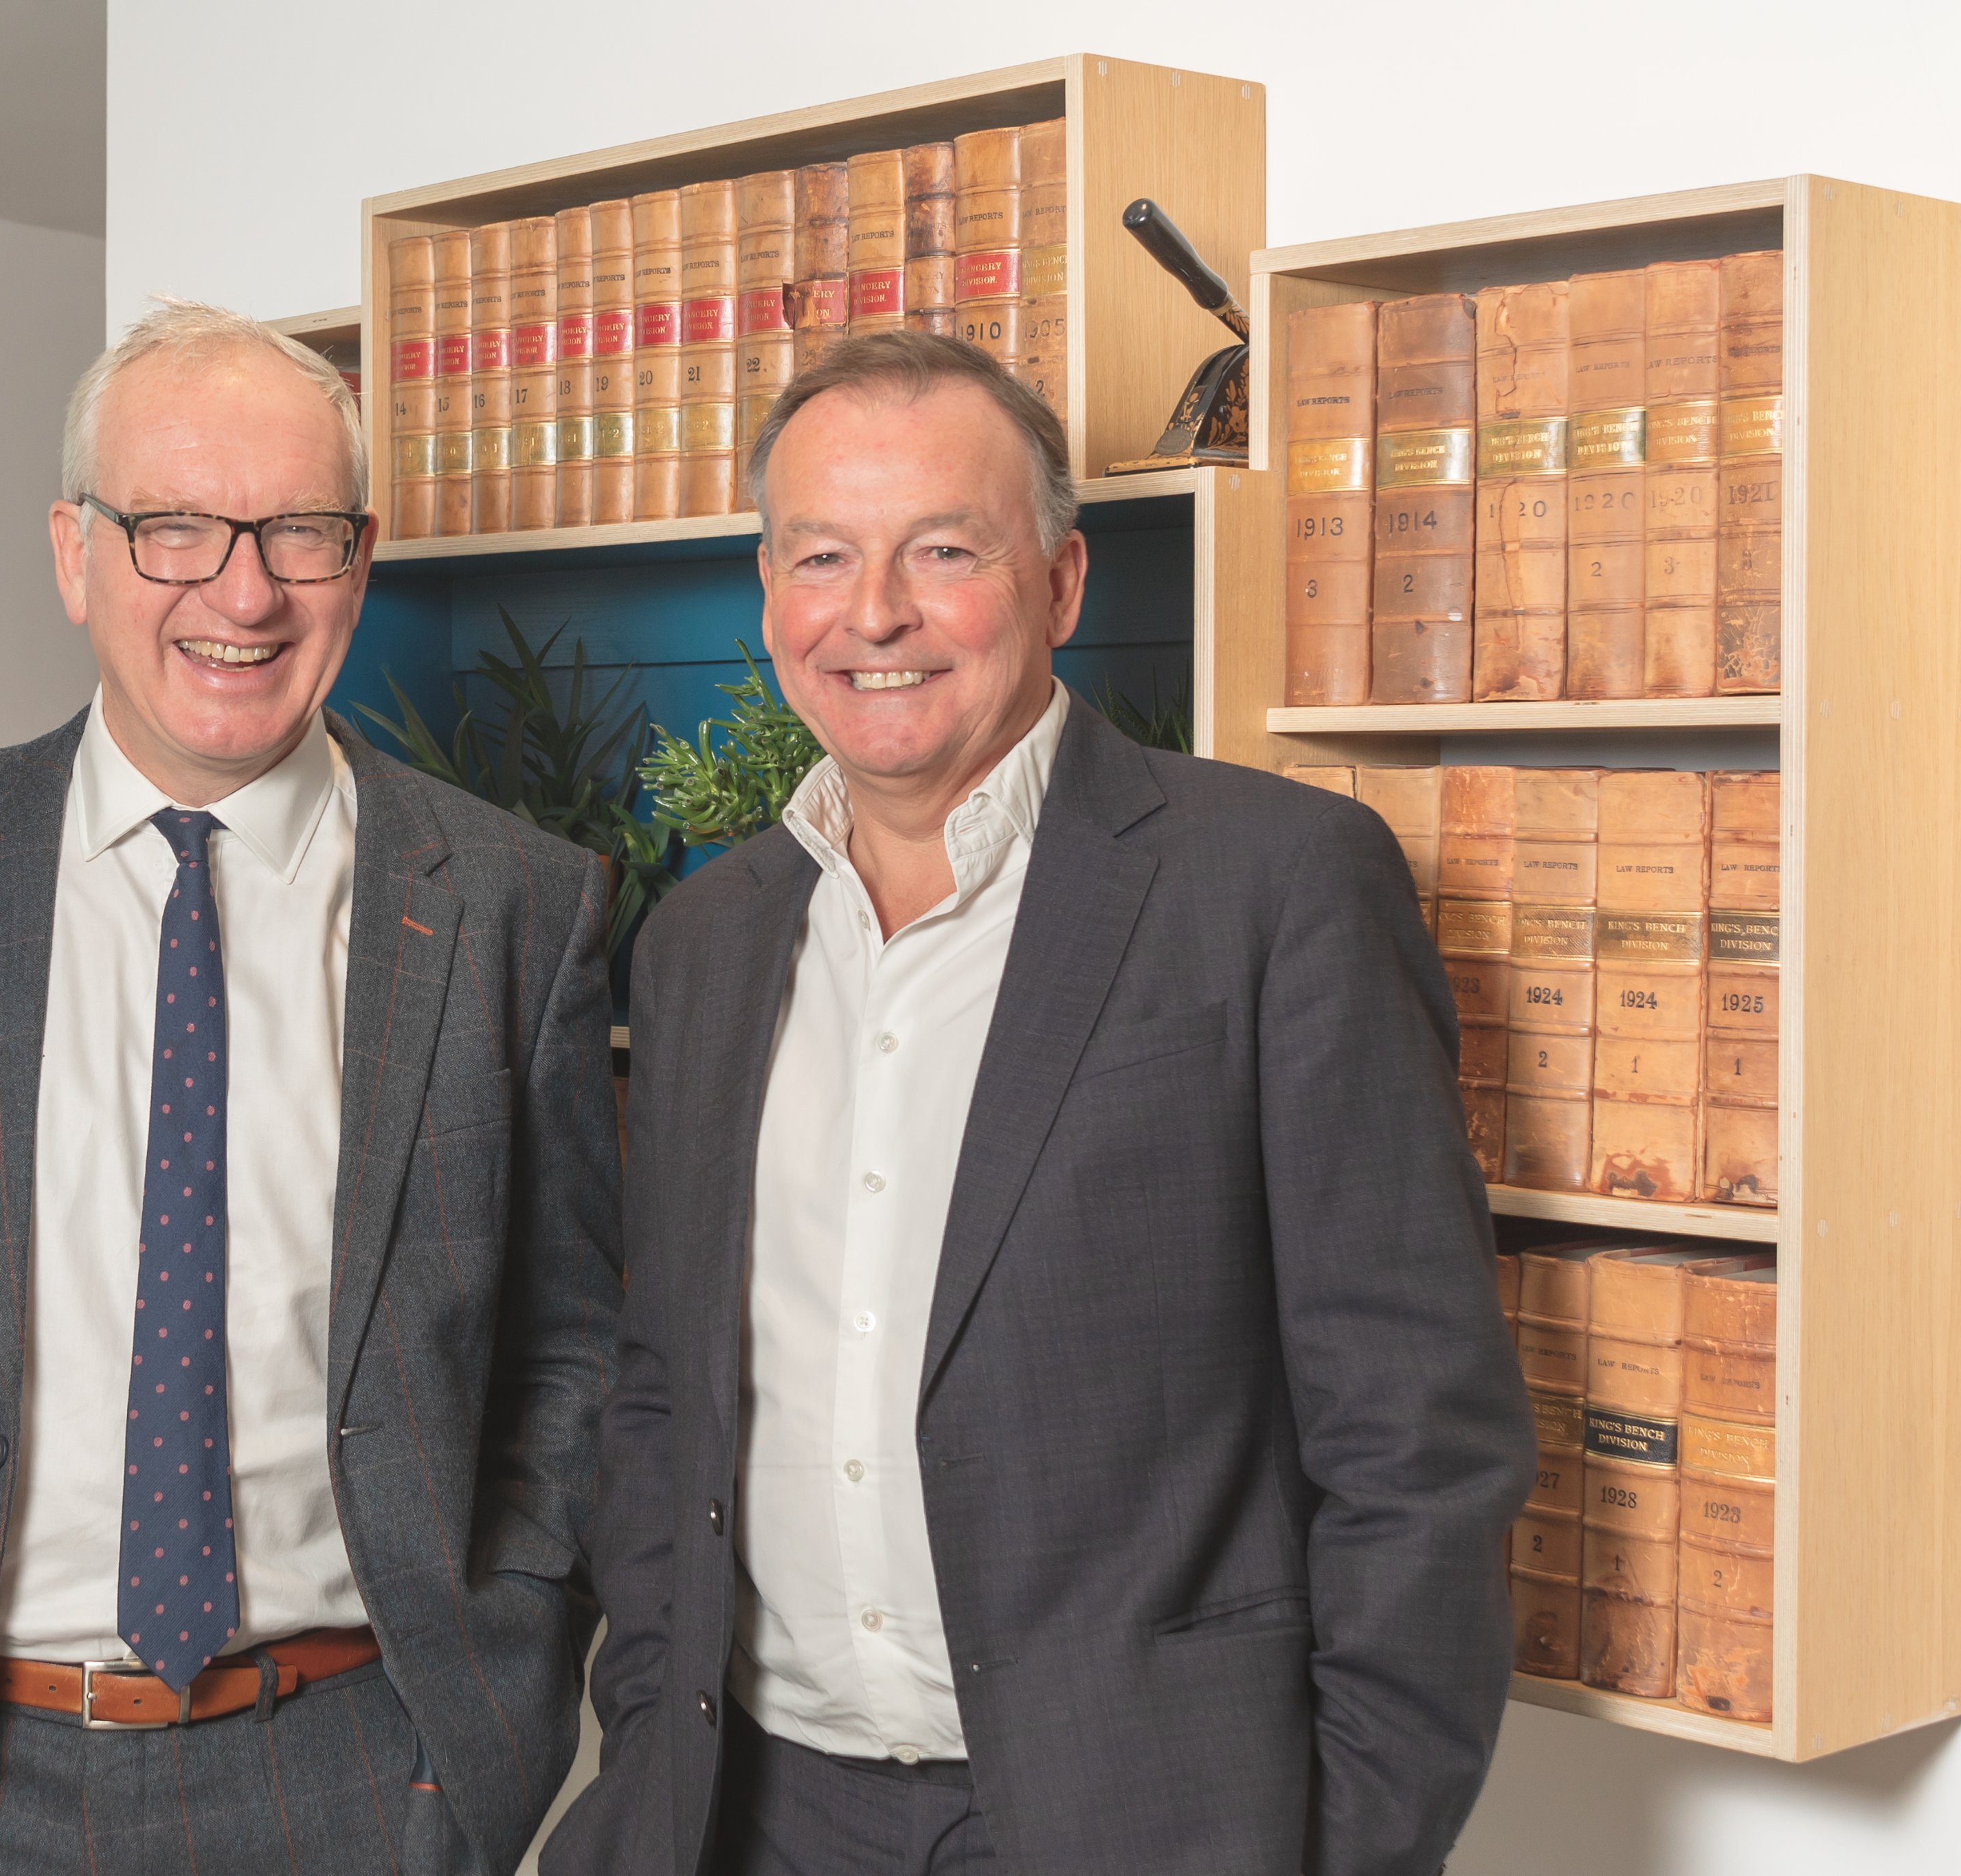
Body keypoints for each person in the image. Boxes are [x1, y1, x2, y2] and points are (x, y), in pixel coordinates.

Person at [0, 300, 620, 1876]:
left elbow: (568, 1353)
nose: (242, 591)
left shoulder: (514, 904)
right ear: (74, 554)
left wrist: (492, 1725)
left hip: (356, 1778)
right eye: (173, 528)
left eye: (298, 533)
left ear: (358, 560)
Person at [543, 329, 1533, 1876]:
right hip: (750, 1815)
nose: (874, 612)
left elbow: (1417, 1437)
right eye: (821, 555)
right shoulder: (703, 943)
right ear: (769, 591)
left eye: (944, 550)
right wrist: (642, 1755)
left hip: (1141, 1820)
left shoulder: (1271, 889)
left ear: (1061, 584)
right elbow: (666, 1392)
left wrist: (1348, 1846)